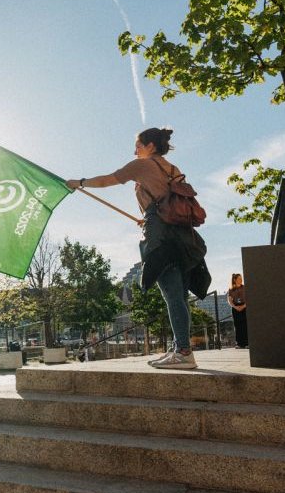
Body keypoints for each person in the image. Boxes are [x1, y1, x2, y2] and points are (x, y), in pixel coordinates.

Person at [66, 127, 210, 369]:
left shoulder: (141, 165)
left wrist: (79, 183)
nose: (135, 151)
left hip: (162, 238)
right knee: (180, 295)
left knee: (172, 294)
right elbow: (169, 202)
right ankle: (180, 348)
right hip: (184, 236)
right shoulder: (171, 168)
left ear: (150, 146)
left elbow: (108, 179)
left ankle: (184, 352)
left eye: (138, 146)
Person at [228, 273, 248, 349]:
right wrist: (235, 307)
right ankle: (239, 344)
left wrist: (243, 306)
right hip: (235, 308)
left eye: (241, 278)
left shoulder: (245, 287)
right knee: (237, 326)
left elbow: (249, 298)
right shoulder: (231, 289)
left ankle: (247, 343)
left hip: (245, 307)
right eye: (239, 278)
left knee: (245, 325)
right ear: (235, 280)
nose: (241, 280)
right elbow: (230, 301)